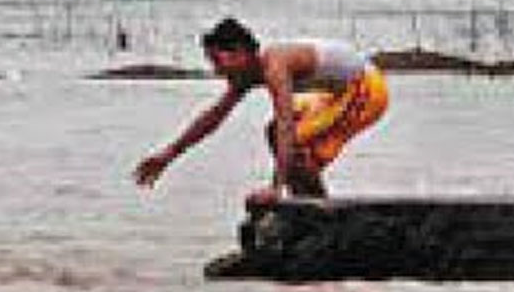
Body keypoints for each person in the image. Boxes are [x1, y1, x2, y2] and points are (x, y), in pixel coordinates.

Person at [134, 18, 388, 206]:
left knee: (290, 138)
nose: (217, 70)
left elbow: (287, 122)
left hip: (365, 89)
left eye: (218, 61)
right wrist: (169, 153)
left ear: (241, 52)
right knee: (277, 134)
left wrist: (274, 187)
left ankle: (315, 209)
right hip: (334, 93)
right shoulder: (247, 74)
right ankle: (312, 206)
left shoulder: (275, 65)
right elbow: (214, 117)